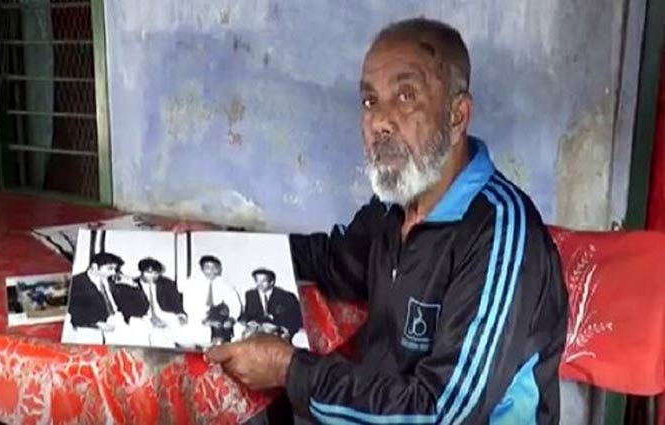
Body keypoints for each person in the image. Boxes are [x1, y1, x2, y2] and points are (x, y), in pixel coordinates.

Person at [206, 18, 568, 424]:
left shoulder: (500, 232)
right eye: (369, 101)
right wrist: (218, 246)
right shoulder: (392, 211)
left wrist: (290, 370)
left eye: (406, 96)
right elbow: (328, 261)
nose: (380, 121)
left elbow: (442, 414)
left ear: (457, 115)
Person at [181, 255, 243, 344]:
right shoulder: (191, 283)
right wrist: (206, 320)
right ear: (202, 269)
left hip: (220, 318)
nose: (211, 270)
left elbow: (235, 304)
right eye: (207, 267)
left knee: (238, 331)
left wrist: (231, 319)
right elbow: (188, 306)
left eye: (214, 267)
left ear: (218, 269)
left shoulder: (225, 284)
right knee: (199, 332)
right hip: (198, 319)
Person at [67, 252, 123, 343]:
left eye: (115, 269)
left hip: (114, 320)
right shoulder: (77, 283)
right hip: (90, 328)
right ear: (94, 267)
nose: (113, 272)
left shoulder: (110, 281)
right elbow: (74, 312)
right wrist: (96, 324)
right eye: (110, 268)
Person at [238, 268, 303, 340]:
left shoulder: (286, 296)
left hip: (278, 332)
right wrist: (250, 321)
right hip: (257, 331)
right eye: (257, 281)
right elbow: (248, 314)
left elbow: (296, 319)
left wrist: (279, 328)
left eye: (263, 281)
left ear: (272, 282)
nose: (259, 284)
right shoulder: (250, 295)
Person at [134, 257, 187, 328]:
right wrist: (149, 319)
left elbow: (176, 303)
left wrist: (181, 316)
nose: (152, 276)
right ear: (141, 272)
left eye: (156, 273)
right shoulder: (132, 285)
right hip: (143, 317)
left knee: (180, 327)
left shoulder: (167, 284)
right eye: (149, 273)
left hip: (164, 314)